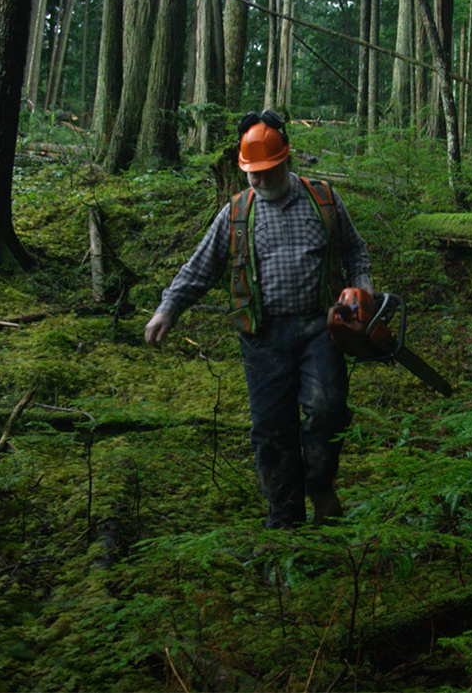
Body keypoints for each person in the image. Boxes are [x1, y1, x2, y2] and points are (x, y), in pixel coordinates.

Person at [145, 110, 372, 528]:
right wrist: (168, 308)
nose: (262, 180)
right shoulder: (236, 214)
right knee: (271, 430)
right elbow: (200, 268)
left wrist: (363, 289)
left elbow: (356, 252)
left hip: (321, 329)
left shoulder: (322, 198)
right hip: (263, 336)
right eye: (254, 174)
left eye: (269, 171)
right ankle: (284, 519)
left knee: (327, 411)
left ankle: (321, 489)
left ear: (287, 161)